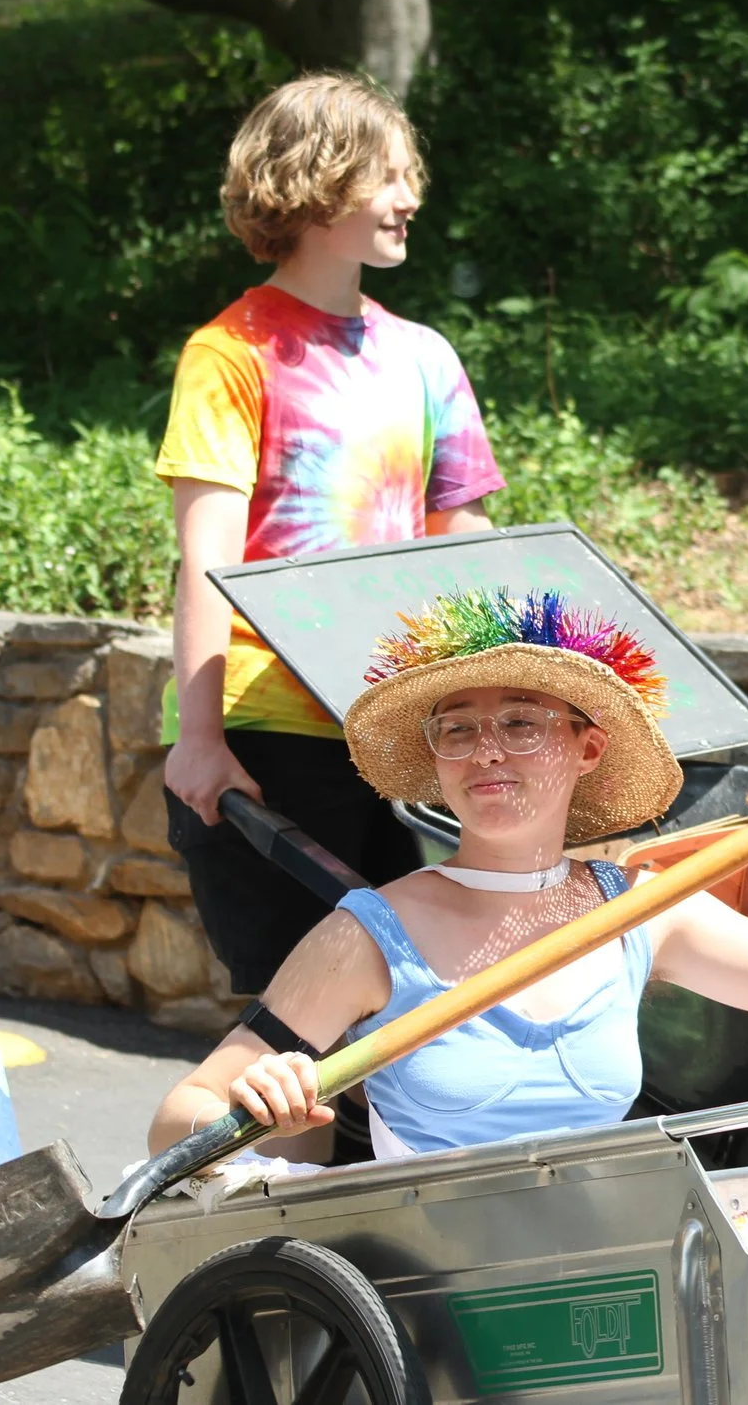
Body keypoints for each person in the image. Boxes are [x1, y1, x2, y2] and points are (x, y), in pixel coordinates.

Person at [150, 589, 748, 1324]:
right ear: (436, 761)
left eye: (521, 723)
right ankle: (741, 1356)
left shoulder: (638, 907)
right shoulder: (369, 932)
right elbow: (176, 1122)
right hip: (459, 1303)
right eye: (457, 728)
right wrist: (252, 1096)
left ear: (587, 747)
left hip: (627, 1277)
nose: (487, 751)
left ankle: (737, 1355)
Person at [157, 74, 503, 1000]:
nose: (411, 196)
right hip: (264, 734)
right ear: (317, 183)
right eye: (389, 175)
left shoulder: (425, 355)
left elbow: (464, 537)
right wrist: (200, 739)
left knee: (413, 1012)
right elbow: (210, 561)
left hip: (399, 727)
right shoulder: (230, 355)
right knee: (293, 1021)